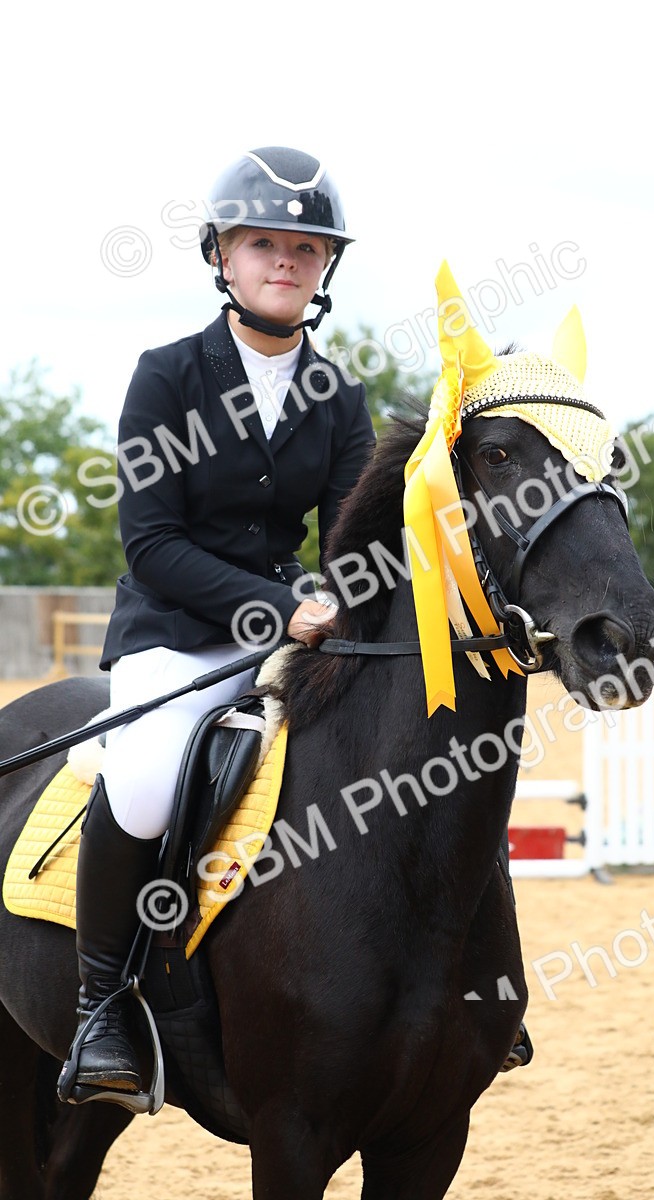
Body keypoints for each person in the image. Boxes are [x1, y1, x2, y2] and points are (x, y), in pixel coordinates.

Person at [59, 146, 376, 1105]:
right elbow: (151, 544)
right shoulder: (166, 376)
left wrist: (348, 599)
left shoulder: (338, 394)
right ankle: (101, 1006)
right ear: (224, 258)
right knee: (150, 782)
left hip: (288, 634)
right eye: (264, 243)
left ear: (325, 267)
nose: (287, 260)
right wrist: (286, 606)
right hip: (172, 633)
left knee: (395, 748)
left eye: (306, 247)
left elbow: (358, 533)